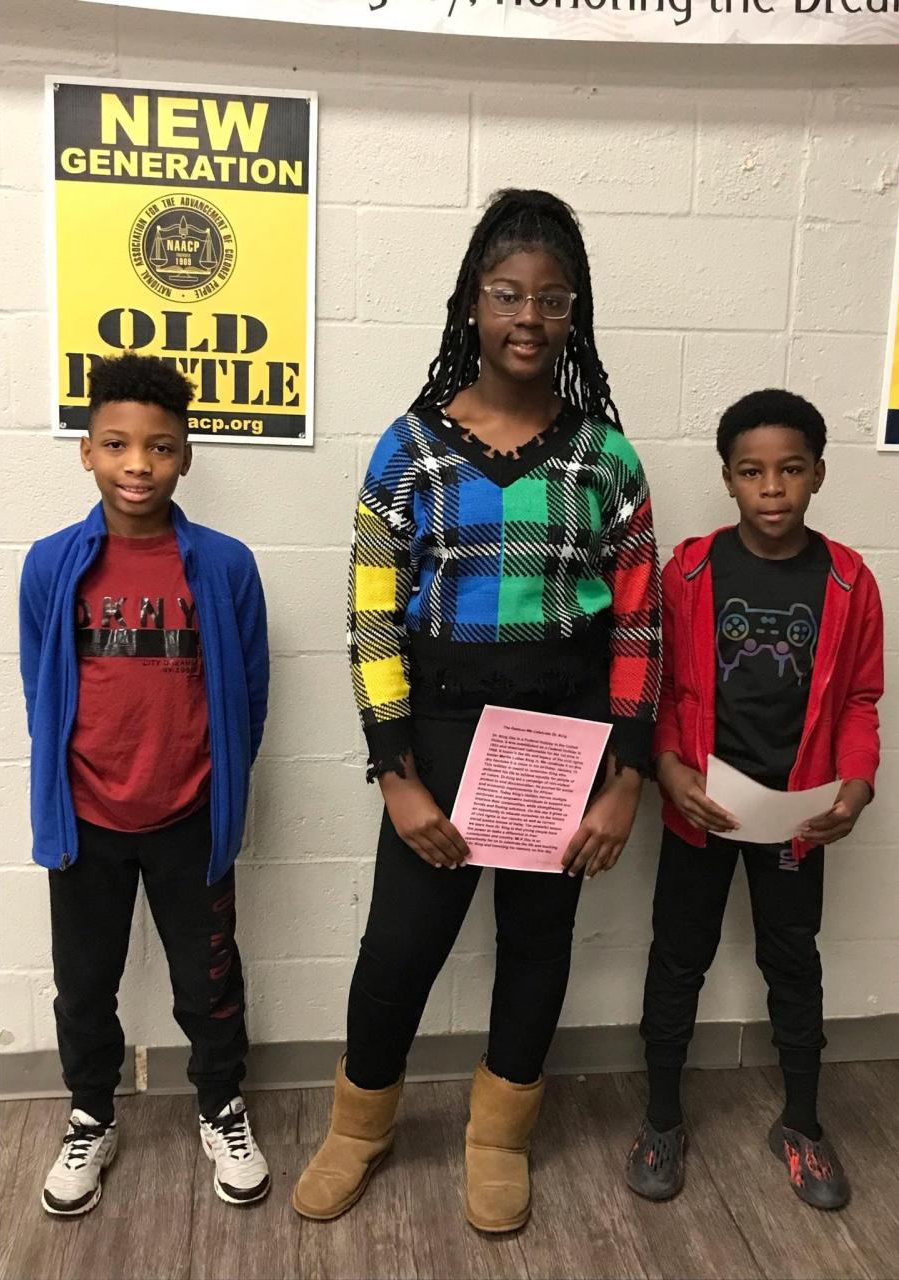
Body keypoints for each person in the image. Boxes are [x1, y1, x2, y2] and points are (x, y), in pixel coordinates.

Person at [294, 189, 661, 1233]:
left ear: (576, 315)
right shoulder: (406, 451)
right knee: (401, 947)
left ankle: (499, 1135)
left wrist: (625, 775)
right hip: (441, 738)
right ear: (470, 305)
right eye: (507, 293)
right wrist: (398, 773)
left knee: (537, 942)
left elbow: (639, 628)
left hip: (564, 735)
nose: (529, 317)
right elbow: (371, 621)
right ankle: (359, 1125)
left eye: (553, 298)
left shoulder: (609, 460)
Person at [19, 353, 271, 1214]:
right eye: (118, 445)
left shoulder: (227, 567)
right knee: (83, 985)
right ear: (86, 453)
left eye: (160, 447)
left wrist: (219, 789)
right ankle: (91, 1112)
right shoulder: (50, 566)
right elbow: (40, 690)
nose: (139, 464)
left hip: (190, 819)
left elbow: (250, 695)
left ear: (186, 456)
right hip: (85, 822)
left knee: (209, 983)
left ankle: (221, 1105)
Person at [627, 389, 883, 1211]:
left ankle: (802, 1124)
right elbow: (655, 688)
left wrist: (856, 784)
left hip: (794, 824)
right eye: (752, 472)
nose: (772, 488)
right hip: (701, 816)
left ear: (817, 476)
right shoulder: (691, 571)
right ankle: (662, 1118)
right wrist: (669, 768)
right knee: (677, 962)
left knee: (793, 965)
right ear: (728, 479)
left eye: (790, 470)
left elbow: (858, 702)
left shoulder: (849, 579)